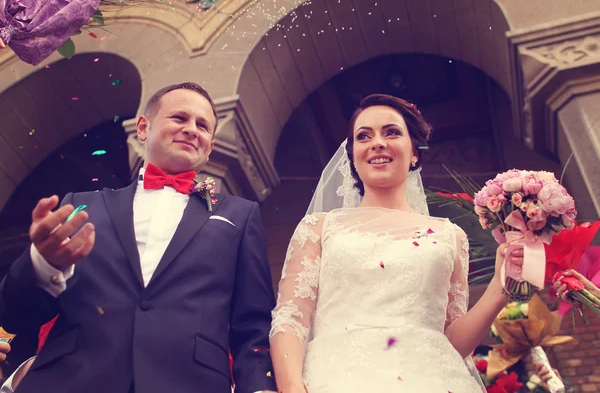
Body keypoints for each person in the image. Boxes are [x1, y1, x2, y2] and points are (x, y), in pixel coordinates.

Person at [0, 82, 277, 393]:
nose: (191, 129)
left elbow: (253, 325)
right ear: (143, 128)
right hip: (72, 381)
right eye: (179, 118)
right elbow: (14, 314)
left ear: (210, 146)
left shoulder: (241, 215)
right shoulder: (82, 204)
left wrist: (258, 387)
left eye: (202, 125)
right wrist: (43, 263)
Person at [269, 94, 524, 393]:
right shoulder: (320, 227)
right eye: (364, 136)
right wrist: (290, 387)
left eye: (391, 132)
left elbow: (452, 341)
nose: (377, 142)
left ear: (415, 151)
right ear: (353, 155)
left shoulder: (450, 236)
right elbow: (290, 318)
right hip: (336, 379)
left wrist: (498, 288)